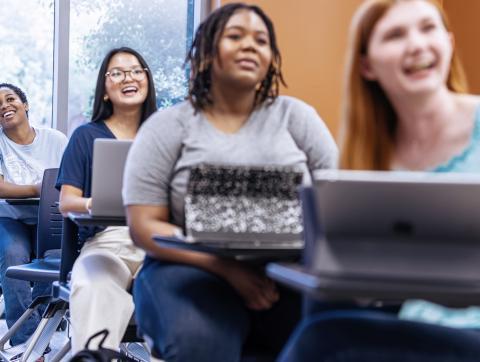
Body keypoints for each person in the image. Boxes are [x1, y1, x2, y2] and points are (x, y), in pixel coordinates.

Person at [123, 3, 338, 361]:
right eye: (235, 36)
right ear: (206, 53)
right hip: (185, 268)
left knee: (339, 337)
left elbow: (336, 203)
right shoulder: (166, 127)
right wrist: (226, 268)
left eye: (261, 40)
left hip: (287, 268)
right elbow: (143, 226)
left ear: (271, 58)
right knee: (201, 344)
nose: (250, 46)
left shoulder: (297, 117)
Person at [278, 0, 480, 361]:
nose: (416, 44)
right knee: (320, 311)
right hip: (413, 325)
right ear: (367, 65)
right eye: (396, 35)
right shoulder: (368, 158)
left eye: (427, 28)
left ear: (449, 42)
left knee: (322, 339)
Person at [56, 47, 157, 353]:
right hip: (107, 242)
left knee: (183, 290)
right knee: (94, 286)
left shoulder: (163, 135)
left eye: (136, 70)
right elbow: (67, 202)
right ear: (104, 88)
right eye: (118, 72)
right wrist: (95, 202)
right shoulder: (85, 136)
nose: (129, 77)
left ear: (147, 81)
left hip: (158, 242)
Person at [0, 83, 68, 346]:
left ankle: (39, 338)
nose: (5, 105)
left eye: (10, 99)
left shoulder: (56, 139)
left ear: (25, 104)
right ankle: (25, 345)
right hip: (10, 217)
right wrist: (35, 188)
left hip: (50, 216)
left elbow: (71, 179)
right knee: (12, 257)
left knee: (55, 260)